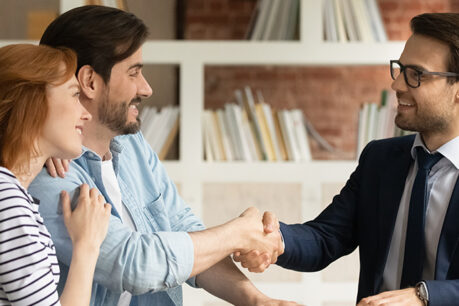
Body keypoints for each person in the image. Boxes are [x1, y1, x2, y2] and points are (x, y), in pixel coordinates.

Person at [28, 5, 295, 306]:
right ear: (90, 81)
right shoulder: (47, 170)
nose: (147, 88)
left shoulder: (132, 145)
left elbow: (182, 229)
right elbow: (132, 263)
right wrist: (237, 234)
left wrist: (256, 300)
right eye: (134, 72)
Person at [234, 12, 459, 306]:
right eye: (400, 69)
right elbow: (326, 237)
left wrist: (424, 296)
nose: (397, 85)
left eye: (416, 74)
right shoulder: (380, 160)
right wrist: (276, 239)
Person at [0, 44, 111, 305]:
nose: (85, 113)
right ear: (32, 101)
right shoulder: (7, 200)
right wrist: (87, 244)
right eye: (74, 94)